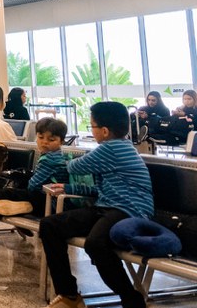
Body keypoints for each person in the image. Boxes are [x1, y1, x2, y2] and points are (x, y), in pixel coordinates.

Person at [40, 101, 153, 308]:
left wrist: (60, 160)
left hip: (129, 211)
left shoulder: (112, 148)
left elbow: (74, 166)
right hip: (107, 207)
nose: (91, 131)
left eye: (92, 126)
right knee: (50, 225)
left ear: (104, 131)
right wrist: (69, 188)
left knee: (95, 244)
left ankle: (131, 299)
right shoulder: (118, 148)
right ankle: (68, 294)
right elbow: (100, 191)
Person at [0, 118, 96, 245]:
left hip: (51, 204)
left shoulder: (50, 160)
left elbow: (33, 185)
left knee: (6, 193)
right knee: (9, 195)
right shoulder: (62, 156)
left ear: (62, 141)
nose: (44, 142)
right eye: (41, 137)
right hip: (56, 202)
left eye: (51, 140)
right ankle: (14, 212)